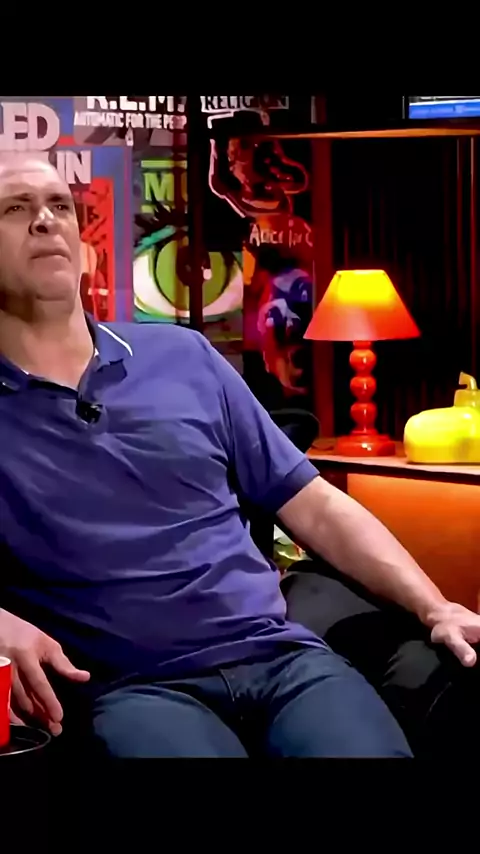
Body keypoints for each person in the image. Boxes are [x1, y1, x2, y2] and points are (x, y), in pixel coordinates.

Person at [0, 156, 479, 759]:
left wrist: (436, 607)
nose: (45, 220)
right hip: (136, 687)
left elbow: (315, 504)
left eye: (59, 206)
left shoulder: (185, 357)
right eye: (15, 208)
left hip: (282, 660)